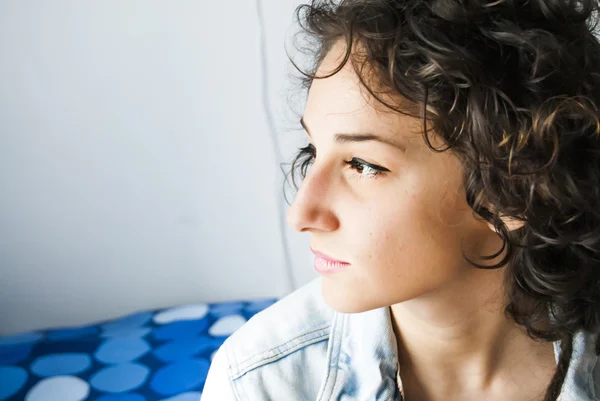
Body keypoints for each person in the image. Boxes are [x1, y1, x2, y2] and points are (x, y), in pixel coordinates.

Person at [201, 0, 600, 400]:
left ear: (514, 190)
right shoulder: (258, 382)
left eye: (363, 165)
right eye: (312, 152)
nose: (301, 214)